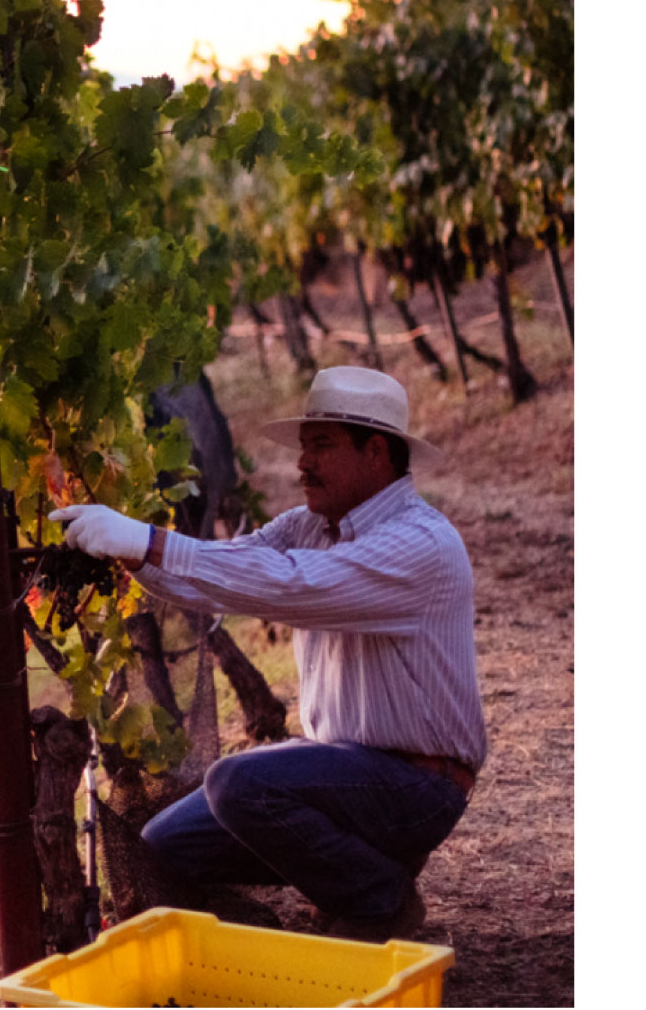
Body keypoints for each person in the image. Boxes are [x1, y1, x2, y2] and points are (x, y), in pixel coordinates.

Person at [49, 366, 486, 941]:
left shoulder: (419, 543)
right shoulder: (309, 526)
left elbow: (293, 584)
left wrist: (149, 540)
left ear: (376, 452)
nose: (302, 464)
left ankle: (379, 899)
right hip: (345, 775)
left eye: (321, 447)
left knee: (239, 783)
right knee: (165, 843)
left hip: (415, 789)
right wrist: (136, 555)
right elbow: (222, 573)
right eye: (303, 448)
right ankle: (365, 870)